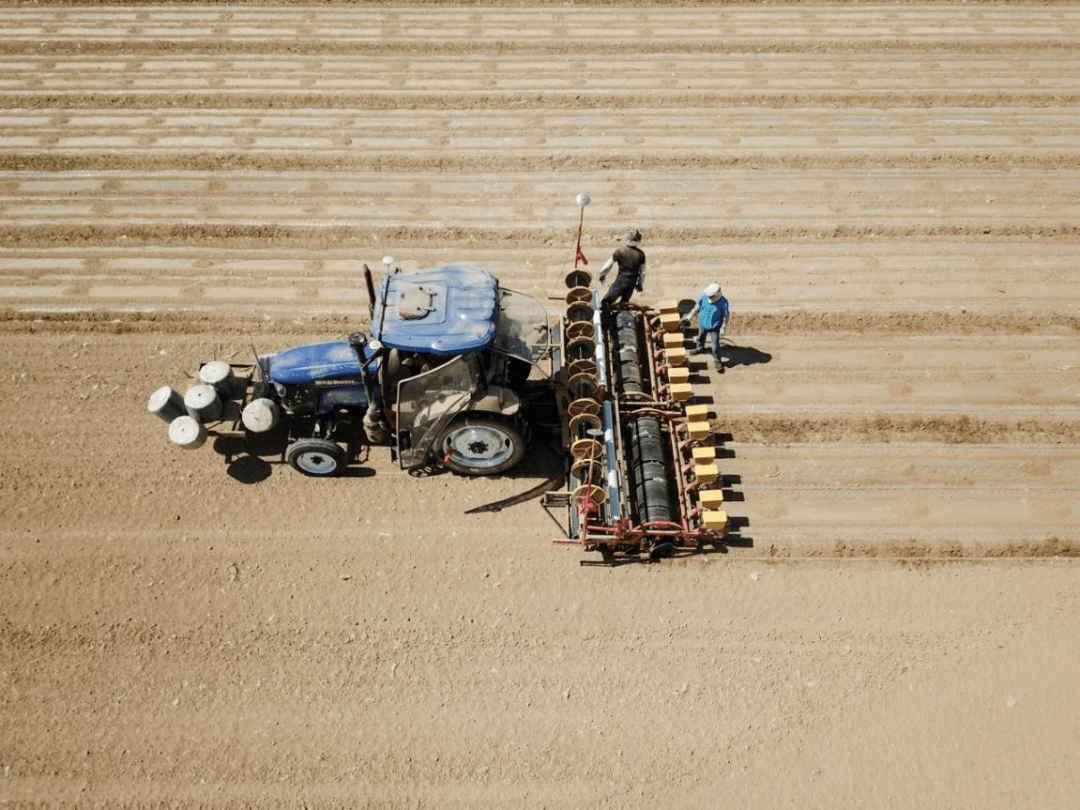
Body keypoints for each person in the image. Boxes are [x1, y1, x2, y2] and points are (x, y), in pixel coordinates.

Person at [682, 282, 730, 372]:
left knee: (715, 346)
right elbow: (697, 307)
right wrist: (690, 315)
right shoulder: (704, 296)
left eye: (710, 296)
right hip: (702, 323)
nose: (708, 297)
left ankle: (717, 361)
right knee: (700, 337)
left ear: (716, 295)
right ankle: (699, 349)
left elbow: (726, 316)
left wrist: (723, 328)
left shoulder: (723, 302)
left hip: (714, 327)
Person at [598, 228, 646, 317]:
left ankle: (606, 323)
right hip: (632, 284)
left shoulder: (620, 251)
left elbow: (609, 264)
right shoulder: (641, 254)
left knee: (606, 302)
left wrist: (603, 274)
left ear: (627, 239)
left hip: (620, 282)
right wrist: (640, 284)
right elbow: (643, 272)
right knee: (624, 305)